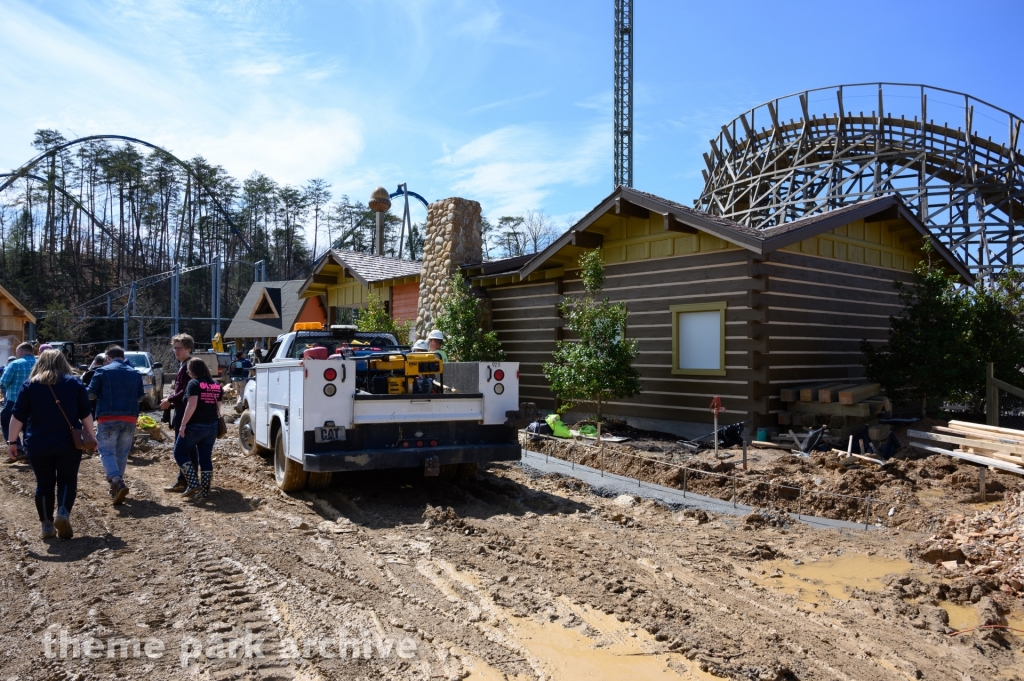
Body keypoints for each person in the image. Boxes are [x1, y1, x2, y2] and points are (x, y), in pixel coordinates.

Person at [7, 350, 94, 539]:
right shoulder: (74, 383)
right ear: (63, 362)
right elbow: (85, 413)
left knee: (44, 484)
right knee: (68, 480)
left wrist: (12, 441)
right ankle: (62, 512)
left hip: (37, 443)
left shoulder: (30, 385)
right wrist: (92, 437)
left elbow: (18, 415)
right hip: (69, 443)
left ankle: (46, 525)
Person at [87, 346, 145, 505]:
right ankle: (115, 486)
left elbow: (91, 394)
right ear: (123, 356)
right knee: (122, 452)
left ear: (107, 357)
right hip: (130, 418)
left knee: (106, 451)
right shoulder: (135, 373)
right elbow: (140, 397)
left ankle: (117, 480)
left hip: (108, 417)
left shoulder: (102, 371)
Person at [173, 357, 222, 499]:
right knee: (205, 458)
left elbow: (191, 405)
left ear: (193, 370)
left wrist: (183, 425)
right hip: (212, 426)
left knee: (180, 453)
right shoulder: (216, 385)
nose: (187, 372)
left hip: (195, 425)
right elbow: (218, 407)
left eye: (188, 369)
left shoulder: (193, 383)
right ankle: (205, 491)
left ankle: (193, 483)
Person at [160, 334, 198, 492]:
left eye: (179, 348)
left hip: (185, 411)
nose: (176, 351)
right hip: (182, 410)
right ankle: (187, 480)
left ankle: (187, 481)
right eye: (174, 348)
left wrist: (170, 399)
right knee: (187, 448)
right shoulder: (184, 365)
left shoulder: (189, 366)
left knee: (183, 448)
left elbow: (185, 390)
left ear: (188, 349)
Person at [1, 343, 37, 460]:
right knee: (29, 425)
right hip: (35, 401)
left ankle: (17, 447)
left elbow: (4, 382)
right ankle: (29, 449)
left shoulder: (15, 364)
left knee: (7, 422)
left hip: (14, 400)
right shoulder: (40, 363)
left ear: (21, 352)